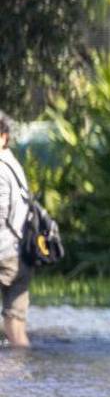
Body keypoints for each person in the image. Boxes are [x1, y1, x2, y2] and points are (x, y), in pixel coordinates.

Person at [0, 111, 31, 348]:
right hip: (19, 255)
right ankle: (20, 381)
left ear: (4, 136)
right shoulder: (13, 164)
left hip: (4, 254)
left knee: (13, 325)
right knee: (15, 326)